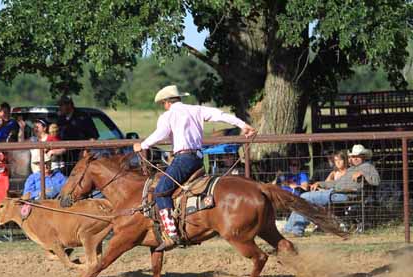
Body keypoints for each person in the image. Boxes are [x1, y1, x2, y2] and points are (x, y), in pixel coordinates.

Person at [133, 84, 257, 251]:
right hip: (198, 159)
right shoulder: (196, 109)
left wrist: (143, 145)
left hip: (183, 159)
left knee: (161, 190)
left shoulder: (168, 116)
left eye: (163, 103)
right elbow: (220, 115)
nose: (164, 106)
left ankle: (171, 233)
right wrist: (243, 125)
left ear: (167, 102)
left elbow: (161, 133)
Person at [283, 144, 380, 237]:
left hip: (345, 194)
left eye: (357, 156)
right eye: (353, 156)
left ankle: (295, 230)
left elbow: (376, 181)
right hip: (336, 192)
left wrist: (363, 174)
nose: (354, 158)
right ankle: (290, 230)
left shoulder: (368, 167)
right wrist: (320, 183)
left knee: (304, 197)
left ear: (363, 157)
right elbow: (335, 183)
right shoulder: (351, 169)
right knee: (303, 199)